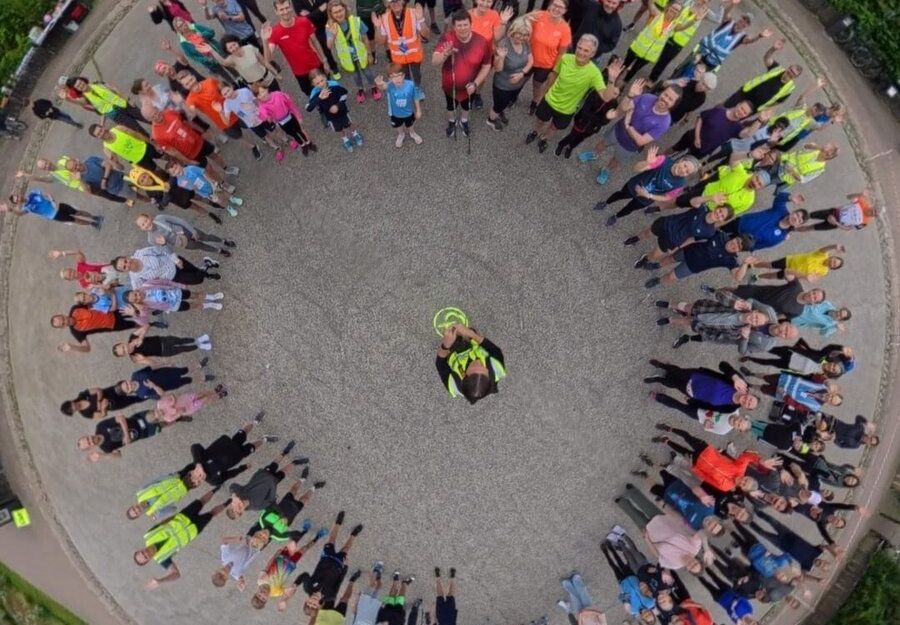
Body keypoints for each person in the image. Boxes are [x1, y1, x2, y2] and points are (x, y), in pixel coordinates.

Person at [526, 36, 622, 152]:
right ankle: (535, 132)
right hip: (549, 100)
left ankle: (544, 139)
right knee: (540, 120)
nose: (581, 52)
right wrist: (546, 92)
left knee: (554, 127)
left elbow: (606, 97)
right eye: (579, 48)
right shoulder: (565, 58)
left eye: (586, 51)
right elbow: (554, 75)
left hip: (567, 110)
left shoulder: (594, 73)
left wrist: (612, 79)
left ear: (592, 54)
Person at [586, 80, 680, 184]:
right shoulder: (647, 97)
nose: (665, 99)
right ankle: (593, 154)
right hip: (617, 131)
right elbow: (624, 107)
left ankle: (606, 170)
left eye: (670, 99)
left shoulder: (664, 123)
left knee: (616, 160)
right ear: (662, 92)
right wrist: (630, 95)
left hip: (629, 146)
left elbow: (640, 141)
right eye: (666, 94)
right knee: (603, 143)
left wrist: (627, 125)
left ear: (674, 104)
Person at [134, 488, 227, 589]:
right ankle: (229, 502)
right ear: (149, 560)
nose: (146, 553)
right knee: (212, 513)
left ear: (140, 549)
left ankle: (218, 487)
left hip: (182, 517)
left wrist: (176, 515)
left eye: (142, 553)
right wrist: (160, 581)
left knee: (201, 501)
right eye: (146, 557)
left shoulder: (148, 536)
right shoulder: (162, 559)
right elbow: (176, 574)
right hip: (193, 530)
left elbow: (162, 523)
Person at [277, 510, 364, 610]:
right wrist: (345, 567)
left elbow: (304, 575)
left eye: (309, 603)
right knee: (346, 549)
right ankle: (354, 534)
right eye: (314, 604)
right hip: (338, 564)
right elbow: (339, 582)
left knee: (331, 539)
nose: (313, 601)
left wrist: (295, 584)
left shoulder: (308, 588)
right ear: (318, 605)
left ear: (307, 600)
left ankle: (338, 523)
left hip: (326, 558)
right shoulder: (330, 596)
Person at [595, 145, 698, 226]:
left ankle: (616, 216)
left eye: (687, 172)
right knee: (620, 195)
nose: (683, 170)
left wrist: (649, 196)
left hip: (645, 199)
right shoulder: (663, 161)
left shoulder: (680, 184)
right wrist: (647, 162)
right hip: (634, 186)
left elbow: (667, 197)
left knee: (629, 209)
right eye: (685, 166)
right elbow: (636, 168)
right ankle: (606, 203)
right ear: (681, 160)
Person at [432, 10, 492, 139]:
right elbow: (434, 61)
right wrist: (445, 54)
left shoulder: (482, 42)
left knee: (467, 106)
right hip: (450, 86)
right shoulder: (447, 38)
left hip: (470, 87)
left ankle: (464, 121)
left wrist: (476, 84)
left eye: (465, 24)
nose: (462, 28)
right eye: (459, 25)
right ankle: (452, 121)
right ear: (454, 26)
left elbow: (486, 66)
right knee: (450, 106)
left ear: (471, 24)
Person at [179, 71, 261, 159]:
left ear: (194, 76)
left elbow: (224, 88)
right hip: (223, 122)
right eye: (187, 83)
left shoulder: (210, 82)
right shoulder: (190, 99)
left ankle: (263, 136)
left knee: (253, 124)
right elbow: (191, 113)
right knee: (238, 136)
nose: (191, 83)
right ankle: (252, 146)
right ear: (184, 86)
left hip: (236, 111)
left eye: (190, 79)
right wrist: (183, 104)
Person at [228, 442, 320, 518]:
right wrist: (273, 487)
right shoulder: (256, 506)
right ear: (242, 512)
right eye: (239, 511)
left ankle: (284, 452)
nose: (239, 507)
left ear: (233, 504)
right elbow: (270, 501)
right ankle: (295, 462)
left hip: (262, 475)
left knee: (275, 463)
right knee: (283, 472)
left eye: (234, 507)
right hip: (273, 482)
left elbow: (232, 486)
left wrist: (234, 496)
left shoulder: (240, 493)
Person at [553, 55, 621, 157]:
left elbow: (606, 121)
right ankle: (561, 144)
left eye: (616, 94)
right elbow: (586, 108)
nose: (613, 95)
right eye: (613, 92)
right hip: (582, 120)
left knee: (580, 139)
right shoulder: (597, 93)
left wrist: (601, 120)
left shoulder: (614, 104)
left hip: (592, 127)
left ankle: (570, 147)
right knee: (573, 135)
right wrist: (599, 119)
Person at [262, 0, 333, 96]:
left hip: (317, 65)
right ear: (276, 11)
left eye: (287, 7)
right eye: (281, 9)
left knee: (328, 89)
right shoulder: (275, 32)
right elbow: (268, 59)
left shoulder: (304, 21)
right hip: (300, 73)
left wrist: (325, 61)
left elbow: (315, 42)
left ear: (291, 7)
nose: (285, 11)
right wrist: (264, 41)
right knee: (312, 95)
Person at [628, 204, 733, 267]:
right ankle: (636, 239)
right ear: (718, 207)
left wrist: (678, 247)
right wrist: (710, 197)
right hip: (666, 223)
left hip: (673, 240)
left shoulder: (710, 232)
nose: (719, 214)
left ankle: (645, 259)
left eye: (722, 216)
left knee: (655, 255)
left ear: (722, 220)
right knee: (648, 232)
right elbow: (693, 200)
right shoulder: (702, 208)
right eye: (720, 210)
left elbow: (692, 239)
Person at [644, 359, 758, 415]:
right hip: (697, 376)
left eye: (749, 404)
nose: (747, 401)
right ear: (750, 394)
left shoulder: (730, 408)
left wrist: (692, 402)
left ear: (746, 408)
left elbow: (710, 408)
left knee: (673, 384)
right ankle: (662, 365)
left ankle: (657, 379)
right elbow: (722, 365)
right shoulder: (741, 383)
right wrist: (735, 377)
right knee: (676, 371)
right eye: (751, 399)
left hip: (693, 393)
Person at [643, 232, 757, 288]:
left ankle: (658, 281)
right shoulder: (720, 235)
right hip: (687, 251)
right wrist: (679, 246)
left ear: (740, 250)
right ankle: (657, 265)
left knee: (671, 277)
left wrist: (745, 264)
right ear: (735, 237)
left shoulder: (730, 259)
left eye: (739, 247)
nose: (735, 245)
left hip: (693, 267)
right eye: (737, 241)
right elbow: (695, 238)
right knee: (670, 258)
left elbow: (738, 277)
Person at [251, 528, 325, 609]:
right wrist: (286, 599)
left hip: (282, 557)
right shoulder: (276, 593)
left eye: (259, 595)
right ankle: (318, 536)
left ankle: (303, 531)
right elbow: (288, 591)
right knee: (305, 548)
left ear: (256, 592)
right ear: (266, 600)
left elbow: (268, 566)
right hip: (291, 564)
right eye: (263, 598)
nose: (262, 594)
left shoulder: (260, 580)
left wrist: (275, 555)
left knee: (293, 542)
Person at [436, 322, 506, 404]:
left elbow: (440, 364)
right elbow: (495, 350)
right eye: (483, 367)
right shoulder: (497, 369)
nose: (478, 362)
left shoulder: (454, 384)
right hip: (474, 346)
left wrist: (445, 346)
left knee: (454, 340)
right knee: (470, 333)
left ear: (464, 375)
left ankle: (454, 342)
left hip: (454, 353)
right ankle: (470, 337)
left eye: (473, 366)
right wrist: (471, 334)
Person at [325, 0, 380, 104]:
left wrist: (369, 54)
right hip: (347, 59)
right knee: (356, 76)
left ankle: (374, 87)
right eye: (335, 12)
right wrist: (332, 35)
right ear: (331, 14)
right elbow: (329, 46)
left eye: (340, 10)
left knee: (367, 73)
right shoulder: (330, 27)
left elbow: (365, 39)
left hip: (361, 55)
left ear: (345, 9)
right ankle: (360, 89)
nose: (339, 14)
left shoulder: (356, 21)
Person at [724, 40, 802, 111]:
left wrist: (764, 112)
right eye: (791, 70)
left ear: (795, 77)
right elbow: (766, 58)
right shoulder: (777, 68)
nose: (791, 73)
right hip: (745, 93)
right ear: (788, 67)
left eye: (794, 74)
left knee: (733, 121)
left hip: (754, 107)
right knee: (724, 107)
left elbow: (776, 103)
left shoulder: (789, 89)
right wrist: (773, 49)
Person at [621, 1, 688, 83]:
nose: (674, 10)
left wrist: (695, 20)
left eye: (677, 10)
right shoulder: (657, 14)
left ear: (678, 14)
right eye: (673, 8)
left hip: (649, 56)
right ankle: (614, 79)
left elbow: (683, 27)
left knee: (634, 70)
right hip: (637, 48)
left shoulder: (673, 26)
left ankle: (623, 84)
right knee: (624, 65)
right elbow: (651, 3)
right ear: (668, 7)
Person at [486, 17, 534, 131]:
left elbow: (531, 60)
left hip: (517, 84)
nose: (522, 38)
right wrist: (501, 58)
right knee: (498, 105)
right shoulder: (503, 44)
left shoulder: (526, 43)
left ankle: (499, 112)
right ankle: (491, 119)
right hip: (502, 86)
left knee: (505, 103)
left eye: (526, 35)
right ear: (513, 31)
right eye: (520, 34)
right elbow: (497, 69)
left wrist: (522, 73)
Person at [525, 0, 571, 116]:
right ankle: (513, 96)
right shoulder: (538, 15)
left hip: (545, 65)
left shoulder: (565, 29)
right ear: (550, 6)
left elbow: (561, 53)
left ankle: (534, 102)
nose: (556, 8)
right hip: (528, 58)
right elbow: (524, 27)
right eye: (555, 5)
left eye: (560, 7)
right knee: (521, 79)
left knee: (537, 84)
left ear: (565, 11)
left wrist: (554, 71)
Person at [647, 0, 710, 83]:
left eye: (705, 1)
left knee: (663, 61)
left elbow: (718, 19)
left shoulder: (704, 13)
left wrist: (724, 7)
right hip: (668, 33)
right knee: (652, 50)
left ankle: (651, 79)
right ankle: (637, 65)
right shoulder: (688, 3)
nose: (701, 1)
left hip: (678, 42)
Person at [722, 192, 808, 252]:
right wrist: (790, 197)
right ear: (793, 212)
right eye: (797, 215)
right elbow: (779, 198)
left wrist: (747, 248)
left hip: (742, 241)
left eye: (799, 220)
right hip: (741, 223)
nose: (796, 218)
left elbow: (764, 245)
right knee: (718, 230)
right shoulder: (781, 210)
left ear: (797, 225)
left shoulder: (781, 237)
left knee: (723, 244)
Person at [468, 0, 514, 110]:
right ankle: (468, 95)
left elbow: (497, 37)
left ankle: (477, 94)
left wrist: (503, 22)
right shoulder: (467, 15)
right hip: (470, 55)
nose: (485, 4)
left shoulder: (494, 15)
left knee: (482, 78)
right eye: (482, 0)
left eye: (489, 1)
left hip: (487, 55)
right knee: (468, 77)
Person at [371, 0, 430, 86]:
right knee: (404, 77)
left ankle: (417, 89)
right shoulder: (384, 18)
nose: (395, 3)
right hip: (399, 58)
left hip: (414, 55)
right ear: (388, 4)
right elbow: (380, 42)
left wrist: (421, 20)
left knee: (416, 75)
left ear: (403, 1)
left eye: (397, 0)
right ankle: (408, 89)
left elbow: (426, 35)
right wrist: (378, 27)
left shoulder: (414, 13)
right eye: (392, 1)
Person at [78, 410, 174, 462]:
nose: (90, 439)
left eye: (87, 438)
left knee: (158, 414)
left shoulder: (100, 427)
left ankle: (175, 408)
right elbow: (118, 455)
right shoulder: (106, 448)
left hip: (139, 418)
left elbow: (120, 418)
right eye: (89, 443)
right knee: (163, 425)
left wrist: (126, 434)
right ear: (91, 447)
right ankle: (178, 418)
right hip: (144, 433)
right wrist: (103, 456)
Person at [669, 101, 754, 160]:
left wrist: (760, 120)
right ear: (738, 105)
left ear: (745, 116)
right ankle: (657, 158)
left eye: (745, 112)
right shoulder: (719, 110)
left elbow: (747, 135)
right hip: (691, 137)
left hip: (702, 151)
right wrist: (697, 138)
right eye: (742, 108)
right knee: (673, 149)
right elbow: (701, 118)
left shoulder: (738, 128)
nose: (741, 112)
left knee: (682, 164)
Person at [305, 69, 363, 151]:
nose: (321, 84)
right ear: (313, 84)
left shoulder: (334, 85)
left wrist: (337, 105)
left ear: (325, 77)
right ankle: (345, 140)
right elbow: (308, 108)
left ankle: (355, 133)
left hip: (342, 112)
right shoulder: (315, 93)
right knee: (339, 129)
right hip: (331, 117)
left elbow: (344, 95)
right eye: (317, 83)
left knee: (349, 124)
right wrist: (319, 98)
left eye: (322, 80)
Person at [114, 245, 221, 288]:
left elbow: (162, 249)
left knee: (195, 271)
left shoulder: (142, 253)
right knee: (197, 279)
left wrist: (176, 259)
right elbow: (140, 292)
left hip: (176, 263)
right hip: (174, 277)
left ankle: (207, 271)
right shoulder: (135, 278)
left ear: (126, 257)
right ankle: (207, 265)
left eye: (125, 261)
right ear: (124, 271)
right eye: (124, 267)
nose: (127, 264)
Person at [600, 541, 657, 622]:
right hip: (633, 577)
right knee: (621, 563)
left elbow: (620, 597)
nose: (647, 613)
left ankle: (605, 552)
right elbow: (650, 588)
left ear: (643, 618)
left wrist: (625, 599)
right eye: (650, 614)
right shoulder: (651, 602)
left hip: (623, 583)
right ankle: (611, 548)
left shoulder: (633, 611)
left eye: (646, 616)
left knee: (614, 567)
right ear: (652, 613)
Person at [64, 77, 147, 132]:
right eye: (78, 86)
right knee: (139, 131)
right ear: (77, 89)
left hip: (125, 105)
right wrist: (68, 100)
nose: (81, 85)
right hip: (117, 116)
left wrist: (128, 100)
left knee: (147, 117)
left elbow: (114, 89)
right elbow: (80, 103)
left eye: (80, 83)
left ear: (83, 80)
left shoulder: (98, 83)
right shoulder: (85, 98)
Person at [255, 83, 317, 155]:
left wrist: (298, 116)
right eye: (259, 95)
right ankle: (303, 145)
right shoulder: (262, 106)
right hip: (282, 123)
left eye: (263, 91)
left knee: (300, 131)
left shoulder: (278, 94)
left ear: (267, 89)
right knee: (293, 134)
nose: (262, 95)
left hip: (290, 117)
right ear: (257, 98)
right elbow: (264, 116)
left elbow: (291, 104)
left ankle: (309, 143)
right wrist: (259, 113)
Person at [50, 305, 141, 354]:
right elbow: (87, 349)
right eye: (62, 324)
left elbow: (91, 302)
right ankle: (150, 324)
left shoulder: (75, 309)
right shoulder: (76, 332)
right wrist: (72, 347)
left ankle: (152, 309)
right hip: (113, 325)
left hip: (111, 310)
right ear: (62, 327)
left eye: (62, 319)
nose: (65, 321)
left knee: (136, 310)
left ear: (62, 315)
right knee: (136, 324)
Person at [166, 160, 244, 215]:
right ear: (173, 175)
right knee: (218, 200)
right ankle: (228, 207)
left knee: (222, 191)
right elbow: (192, 188)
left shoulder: (190, 168)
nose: (176, 171)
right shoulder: (180, 182)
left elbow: (204, 172)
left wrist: (212, 181)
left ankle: (232, 198)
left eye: (176, 168)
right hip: (205, 192)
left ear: (179, 164)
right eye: (173, 172)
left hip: (210, 183)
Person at [206, 34, 282, 91]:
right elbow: (223, 62)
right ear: (227, 50)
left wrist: (276, 73)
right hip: (257, 86)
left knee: (280, 100)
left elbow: (264, 62)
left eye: (234, 44)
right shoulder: (232, 60)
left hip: (268, 78)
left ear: (237, 42)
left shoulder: (250, 48)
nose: (234, 48)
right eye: (230, 48)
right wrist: (211, 51)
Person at [136, 212, 235, 256]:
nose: (146, 224)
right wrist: (164, 244)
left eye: (146, 220)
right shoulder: (151, 239)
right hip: (182, 243)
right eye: (143, 225)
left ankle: (223, 241)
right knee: (201, 246)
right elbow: (169, 251)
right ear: (141, 229)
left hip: (185, 230)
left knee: (206, 237)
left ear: (149, 217)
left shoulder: (160, 218)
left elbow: (179, 221)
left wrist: (193, 231)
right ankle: (218, 250)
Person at [374, 64, 425, 148]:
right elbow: (382, 86)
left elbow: (415, 97)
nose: (397, 79)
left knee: (410, 125)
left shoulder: (411, 84)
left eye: (399, 75)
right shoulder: (389, 85)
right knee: (398, 126)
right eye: (393, 77)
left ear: (404, 75)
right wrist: (379, 83)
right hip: (395, 114)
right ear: (389, 79)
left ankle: (412, 133)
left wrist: (418, 110)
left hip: (408, 113)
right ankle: (401, 134)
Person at [171, 17, 234, 82]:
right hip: (210, 62)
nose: (183, 26)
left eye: (183, 23)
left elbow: (211, 32)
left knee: (231, 67)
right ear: (178, 30)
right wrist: (205, 60)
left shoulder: (195, 27)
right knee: (224, 75)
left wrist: (203, 35)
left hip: (218, 52)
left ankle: (241, 79)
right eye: (180, 26)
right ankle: (235, 85)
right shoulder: (183, 43)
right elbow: (192, 56)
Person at [1, 190, 102, 229]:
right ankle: (92, 224)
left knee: (78, 212)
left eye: (17, 196)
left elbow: (47, 194)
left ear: (19, 194)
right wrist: (10, 210)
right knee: (75, 220)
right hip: (54, 215)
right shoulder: (27, 207)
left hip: (59, 206)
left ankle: (94, 217)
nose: (18, 198)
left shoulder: (33, 193)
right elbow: (20, 214)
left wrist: (53, 200)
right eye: (16, 200)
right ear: (17, 203)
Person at [88, 123, 164, 173]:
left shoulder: (119, 129)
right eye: (98, 134)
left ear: (103, 127)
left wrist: (154, 144)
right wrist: (114, 162)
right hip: (140, 161)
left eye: (101, 130)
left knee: (166, 156)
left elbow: (137, 135)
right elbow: (121, 168)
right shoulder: (107, 148)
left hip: (146, 147)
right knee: (159, 171)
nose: (102, 133)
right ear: (97, 138)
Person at [112, 327, 212, 364]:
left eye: (123, 347)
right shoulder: (134, 358)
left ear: (122, 343)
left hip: (162, 340)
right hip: (163, 352)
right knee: (182, 349)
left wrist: (141, 337)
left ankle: (198, 339)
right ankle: (199, 346)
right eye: (124, 352)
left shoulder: (132, 336)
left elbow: (146, 326)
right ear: (124, 355)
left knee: (180, 341)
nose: (126, 350)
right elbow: (153, 363)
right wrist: (143, 359)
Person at [753, 244, 845, 282]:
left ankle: (757, 277)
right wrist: (834, 246)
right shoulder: (823, 255)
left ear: (832, 268)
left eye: (834, 265)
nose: (832, 263)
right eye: (834, 260)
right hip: (790, 261)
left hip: (793, 273)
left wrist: (804, 277)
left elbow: (811, 277)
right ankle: (752, 265)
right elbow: (825, 249)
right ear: (832, 257)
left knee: (773, 276)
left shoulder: (824, 271)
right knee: (769, 265)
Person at [572, 0, 621, 66]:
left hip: (592, 57)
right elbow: (575, 11)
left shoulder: (617, 24)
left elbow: (611, 45)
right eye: (608, 1)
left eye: (614, 3)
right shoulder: (591, 5)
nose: (610, 5)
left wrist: (595, 48)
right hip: (574, 48)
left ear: (618, 4)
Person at [800, 190, 876, 232]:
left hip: (835, 224)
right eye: (874, 210)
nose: (873, 213)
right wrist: (860, 194)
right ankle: (795, 221)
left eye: (875, 215)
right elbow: (848, 197)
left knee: (811, 228)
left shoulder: (865, 222)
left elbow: (848, 228)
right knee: (809, 215)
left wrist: (836, 223)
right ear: (873, 206)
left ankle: (792, 229)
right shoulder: (862, 202)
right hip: (832, 213)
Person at [61, 384, 145, 419]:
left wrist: (99, 401)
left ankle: (144, 383)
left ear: (71, 401)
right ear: (73, 412)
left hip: (111, 391)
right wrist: (103, 408)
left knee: (129, 386)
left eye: (70, 406)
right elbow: (102, 415)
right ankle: (149, 394)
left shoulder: (82, 395)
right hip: (113, 405)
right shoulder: (85, 414)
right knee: (134, 399)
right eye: (71, 410)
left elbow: (98, 390)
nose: (73, 407)